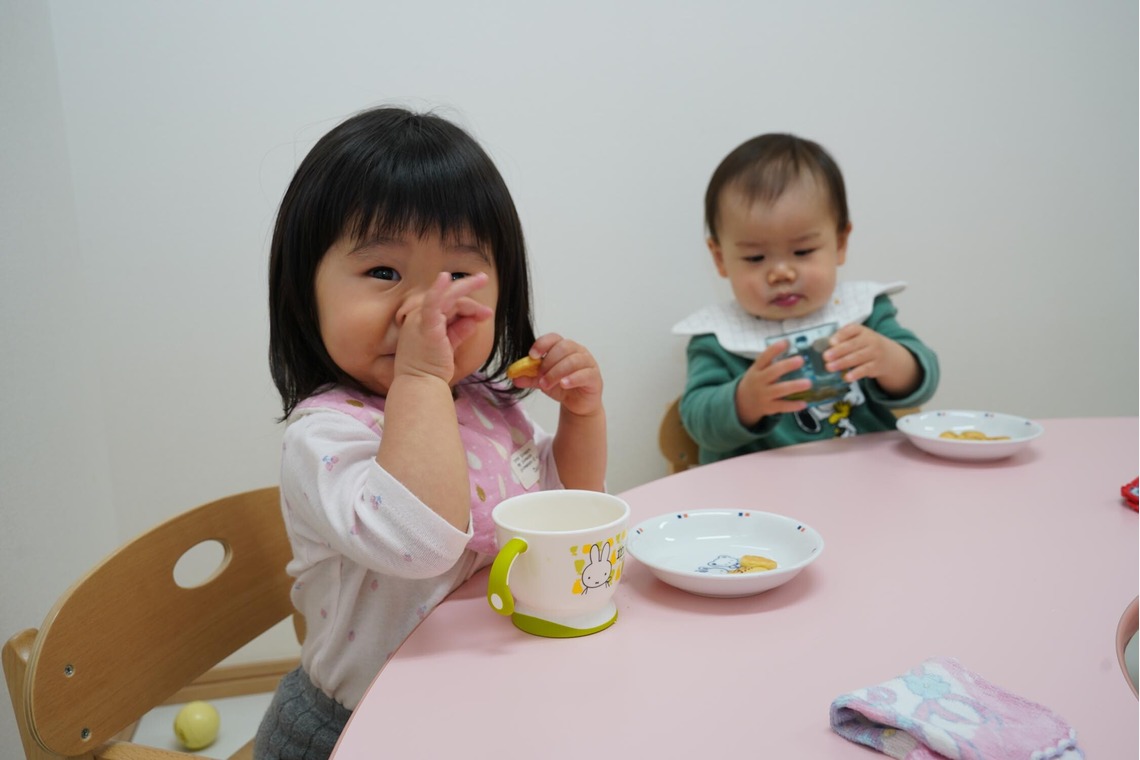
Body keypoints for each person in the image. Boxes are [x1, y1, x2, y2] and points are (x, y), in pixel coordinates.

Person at [254, 106, 606, 759]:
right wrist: (420, 377)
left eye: (458, 277)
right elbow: (418, 545)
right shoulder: (325, 436)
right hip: (355, 730)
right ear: (306, 291)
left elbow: (565, 511)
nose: (425, 309)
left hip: (482, 710)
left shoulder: (488, 406)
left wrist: (582, 417)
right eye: (384, 273)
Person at [673, 133, 938, 464]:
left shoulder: (863, 313)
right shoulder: (717, 338)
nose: (781, 273)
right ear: (720, 258)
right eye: (755, 258)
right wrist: (745, 400)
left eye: (802, 251)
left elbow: (923, 378)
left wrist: (888, 358)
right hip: (759, 488)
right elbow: (698, 423)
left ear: (839, 243)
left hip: (864, 475)